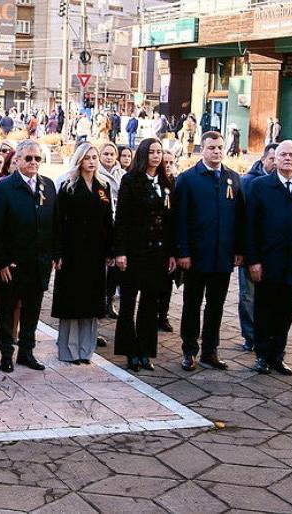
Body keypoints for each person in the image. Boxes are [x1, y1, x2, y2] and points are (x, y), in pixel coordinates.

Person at [245, 140, 292, 375]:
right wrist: (253, 260)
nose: (287, 158)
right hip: (267, 261)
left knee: (286, 311)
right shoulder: (260, 186)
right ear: (274, 159)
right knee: (264, 309)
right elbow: (250, 226)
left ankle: (278, 355)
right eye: (283, 155)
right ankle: (262, 355)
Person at [173, 131, 244, 371]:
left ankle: (210, 351)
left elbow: (239, 218)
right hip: (195, 256)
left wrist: (238, 249)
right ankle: (189, 350)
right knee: (192, 304)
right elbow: (179, 219)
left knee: (216, 306)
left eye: (220, 147)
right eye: (211, 147)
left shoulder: (233, 178)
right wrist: (182, 251)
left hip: (222, 256)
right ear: (201, 149)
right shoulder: (188, 179)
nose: (217, 151)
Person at [0, 139, 57, 373]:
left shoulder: (48, 186)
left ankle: (26, 352)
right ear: (16, 160)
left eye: (38, 158)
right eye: (28, 158)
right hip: (13, 264)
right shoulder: (3, 187)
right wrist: (1, 262)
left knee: (33, 310)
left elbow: (53, 224)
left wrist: (54, 255)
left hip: (39, 262)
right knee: (7, 310)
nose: (33, 162)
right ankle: (6, 352)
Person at [112, 138, 175, 371]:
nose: (156, 156)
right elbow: (121, 220)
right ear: (143, 155)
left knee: (150, 303)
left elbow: (170, 222)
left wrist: (171, 253)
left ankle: (145, 351)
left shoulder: (167, 183)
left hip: (157, 253)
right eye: (152, 152)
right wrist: (120, 251)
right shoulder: (131, 180)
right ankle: (130, 351)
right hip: (134, 251)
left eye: (159, 152)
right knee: (128, 302)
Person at [52, 143, 113, 364]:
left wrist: (110, 250)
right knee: (71, 303)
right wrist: (57, 252)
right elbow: (57, 222)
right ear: (79, 160)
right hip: (72, 252)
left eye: (94, 157)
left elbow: (108, 220)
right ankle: (68, 351)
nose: (91, 161)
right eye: (87, 157)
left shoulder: (102, 186)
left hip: (95, 254)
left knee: (91, 302)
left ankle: (86, 351)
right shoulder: (68, 187)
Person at [238, 143, 276, 351]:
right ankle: (250, 335)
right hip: (250, 250)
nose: (275, 162)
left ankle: (267, 335)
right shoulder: (248, 182)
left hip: (273, 252)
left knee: (269, 296)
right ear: (263, 160)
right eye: (271, 159)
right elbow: (242, 218)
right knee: (248, 295)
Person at [98, 142, 126, 326]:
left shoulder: (122, 174)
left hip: (119, 223)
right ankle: (100, 302)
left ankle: (109, 300)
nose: (109, 157)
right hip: (103, 224)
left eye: (112, 154)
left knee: (115, 269)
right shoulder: (97, 173)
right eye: (105, 154)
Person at [157, 150, 179, 332]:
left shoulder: (177, 183)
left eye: (171, 162)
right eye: (165, 162)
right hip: (156, 240)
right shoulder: (156, 183)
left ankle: (163, 315)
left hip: (171, 241)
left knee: (167, 283)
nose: (168, 165)